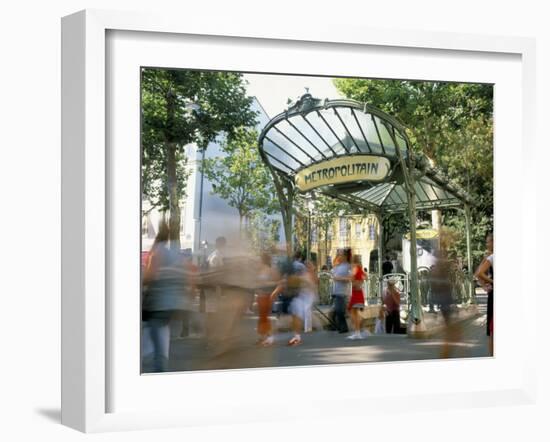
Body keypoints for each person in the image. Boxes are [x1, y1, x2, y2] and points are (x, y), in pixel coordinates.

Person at [142, 219, 187, 372]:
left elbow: (150, 275)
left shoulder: (157, 251)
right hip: (170, 302)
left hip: (157, 302)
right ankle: (156, 362)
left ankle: (159, 368)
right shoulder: (173, 254)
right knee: (159, 334)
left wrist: (144, 279)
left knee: (156, 339)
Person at [255, 253, 279, 346]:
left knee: (264, 316)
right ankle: (263, 337)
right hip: (260, 296)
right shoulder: (259, 270)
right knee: (261, 317)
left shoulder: (269, 270)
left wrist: (265, 283)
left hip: (266, 295)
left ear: (262, 260)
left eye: (259, 260)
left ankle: (269, 337)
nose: (258, 262)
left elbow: (276, 282)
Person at [475, 233, 494, 355]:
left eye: (488, 242)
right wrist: (486, 285)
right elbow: (478, 274)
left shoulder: (491, 256)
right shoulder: (489, 256)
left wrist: (486, 284)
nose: (486, 244)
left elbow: (478, 273)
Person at [331, 249, 352, 334]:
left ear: (345, 256)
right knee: (336, 311)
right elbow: (333, 272)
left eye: (341, 255)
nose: (339, 256)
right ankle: (338, 326)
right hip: (336, 291)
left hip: (342, 292)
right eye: (339, 255)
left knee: (339, 310)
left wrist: (339, 278)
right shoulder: (338, 266)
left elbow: (350, 278)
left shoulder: (348, 266)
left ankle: (343, 327)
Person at [347, 255, 366, 339]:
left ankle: (357, 332)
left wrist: (354, 280)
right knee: (354, 312)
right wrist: (360, 282)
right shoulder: (360, 269)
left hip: (356, 292)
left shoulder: (355, 269)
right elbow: (365, 277)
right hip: (359, 292)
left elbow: (351, 279)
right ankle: (357, 331)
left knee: (353, 312)